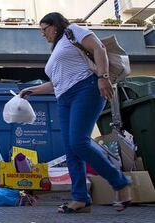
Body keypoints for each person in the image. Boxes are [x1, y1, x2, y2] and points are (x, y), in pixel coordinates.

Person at [19, 12, 132, 214]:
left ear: (54, 26)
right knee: (71, 148)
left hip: (86, 89)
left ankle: (120, 182)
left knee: (79, 142)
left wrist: (103, 77)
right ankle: (80, 197)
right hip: (64, 99)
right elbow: (57, 83)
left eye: (44, 29)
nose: (43, 35)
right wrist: (31, 90)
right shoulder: (56, 50)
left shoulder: (73, 31)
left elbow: (99, 48)